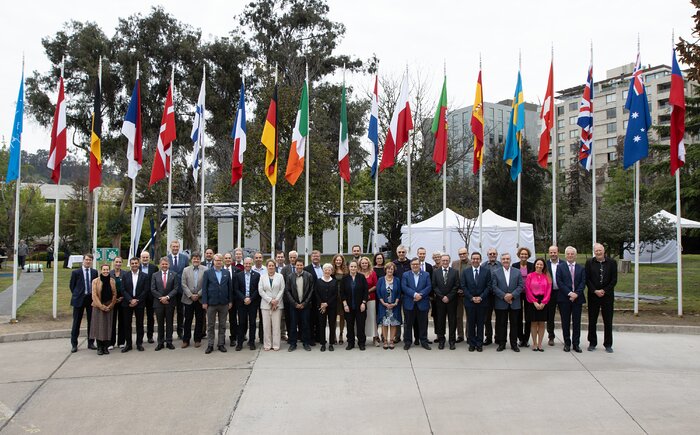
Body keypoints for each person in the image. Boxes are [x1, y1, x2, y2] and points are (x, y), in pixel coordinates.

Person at [585, 243, 617, 353]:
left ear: (604, 251)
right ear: (594, 251)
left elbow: (614, 280)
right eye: (596, 251)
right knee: (592, 320)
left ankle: (608, 344)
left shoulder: (612, 262)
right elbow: (587, 279)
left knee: (608, 321)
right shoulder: (589, 262)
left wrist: (604, 290)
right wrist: (595, 290)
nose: (598, 252)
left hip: (607, 296)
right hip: (593, 296)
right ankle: (592, 342)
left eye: (600, 250)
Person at [555, 246, 586, 353]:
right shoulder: (560, 267)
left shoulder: (581, 268)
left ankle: (576, 344)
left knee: (577, 322)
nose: (570, 256)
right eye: (568, 254)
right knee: (565, 322)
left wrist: (576, 294)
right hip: (564, 299)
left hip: (578, 299)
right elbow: (559, 282)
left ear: (575, 255)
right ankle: (567, 343)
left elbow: (583, 283)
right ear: (565, 255)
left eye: (572, 254)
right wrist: (569, 293)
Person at [492, 253, 524, 352]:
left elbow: (520, 286)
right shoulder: (496, 272)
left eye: (507, 259)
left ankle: (514, 344)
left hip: (514, 303)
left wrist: (512, 295)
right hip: (501, 302)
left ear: (510, 260)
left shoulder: (517, 272)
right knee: (502, 324)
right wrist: (504, 296)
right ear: (501, 260)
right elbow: (494, 286)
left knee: (514, 324)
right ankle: (502, 343)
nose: (505, 260)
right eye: (504, 259)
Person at [202, 254, 233, 354]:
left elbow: (230, 288)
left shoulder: (226, 273)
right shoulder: (207, 273)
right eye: (216, 260)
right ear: (213, 261)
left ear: (222, 261)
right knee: (210, 325)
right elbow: (204, 289)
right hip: (211, 303)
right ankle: (210, 344)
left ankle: (221, 344)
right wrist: (204, 302)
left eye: (220, 260)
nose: (218, 262)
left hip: (224, 303)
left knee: (222, 325)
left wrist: (230, 301)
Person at [461, 252, 492, 352]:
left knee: (480, 323)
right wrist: (471, 298)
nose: (475, 260)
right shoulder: (466, 272)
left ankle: (479, 343)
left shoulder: (486, 271)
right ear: (471, 260)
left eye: (477, 259)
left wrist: (481, 297)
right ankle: (471, 343)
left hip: (482, 302)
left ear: (480, 259)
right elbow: (463, 286)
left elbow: (488, 286)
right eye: (473, 259)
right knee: (471, 323)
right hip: (469, 302)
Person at [69, 254, 98, 352]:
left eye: (90, 260)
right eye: (86, 260)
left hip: (90, 299)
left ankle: (91, 342)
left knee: (91, 321)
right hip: (79, 299)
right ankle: (74, 344)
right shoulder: (76, 272)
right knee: (76, 322)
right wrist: (78, 294)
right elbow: (72, 286)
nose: (88, 261)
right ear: (83, 260)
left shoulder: (94, 272)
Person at [401, 257, 432, 350]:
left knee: (423, 324)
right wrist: (414, 294)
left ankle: (423, 341)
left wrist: (420, 295)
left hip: (422, 303)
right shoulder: (405, 275)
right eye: (413, 264)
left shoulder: (426, 274)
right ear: (410, 265)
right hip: (409, 303)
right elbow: (404, 287)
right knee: (408, 324)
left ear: (420, 265)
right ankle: (407, 341)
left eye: (417, 264)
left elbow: (429, 286)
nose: (415, 266)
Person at [285, 259, 314, 351]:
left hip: (305, 305)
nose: (299, 267)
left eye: (301, 265)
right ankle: (293, 343)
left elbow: (311, 290)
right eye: (297, 265)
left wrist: (304, 303)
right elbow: (287, 291)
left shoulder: (308, 276)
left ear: (303, 266)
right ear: (295, 266)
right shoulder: (290, 277)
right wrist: (294, 303)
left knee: (305, 324)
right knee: (293, 325)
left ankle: (306, 343)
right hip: (294, 306)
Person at [151, 256, 180, 351]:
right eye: (163, 264)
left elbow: (176, 288)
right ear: (160, 264)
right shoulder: (155, 275)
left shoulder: (174, 274)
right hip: (158, 303)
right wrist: (161, 298)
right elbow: (153, 289)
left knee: (169, 323)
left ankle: (169, 342)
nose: (164, 266)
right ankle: (160, 342)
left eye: (166, 264)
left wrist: (167, 297)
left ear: (169, 265)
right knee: (160, 323)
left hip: (170, 302)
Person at [432, 254, 460, 350]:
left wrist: (448, 296)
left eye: (446, 260)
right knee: (440, 321)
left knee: (452, 321)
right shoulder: (436, 272)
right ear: (441, 261)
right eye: (443, 260)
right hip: (440, 301)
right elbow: (434, 286)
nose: (445, 262)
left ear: (449, 261)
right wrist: (442, 296)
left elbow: (456, 286)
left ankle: (452, 341)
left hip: (452, 301)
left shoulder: (455, 272)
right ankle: (441, 341)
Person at [121, 257, 148, 352]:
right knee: (127, 324)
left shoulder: (144, 276)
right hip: (127, 304)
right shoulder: (125, 275)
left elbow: (145, 290)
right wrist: (130, 300)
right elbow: (123, 289)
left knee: (139, 324)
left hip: (139, 303)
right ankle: (128, 344)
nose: (134, 265)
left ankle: (139, 343)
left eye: (136, 263)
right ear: (130, 264)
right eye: (132, 263)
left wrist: (137, 300)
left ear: (139, 263)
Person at [341, 260, 369, 350]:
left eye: (355, 267)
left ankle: (361, 343)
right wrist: (345, 305)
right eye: (351, 267)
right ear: (349, 268)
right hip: (348, 307)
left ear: (357, 268)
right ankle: (350, 343)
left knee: (361, 325)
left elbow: (366, 291)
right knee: (349, 325)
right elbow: (342, 293)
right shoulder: (344, 278)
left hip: (360, 306)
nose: (353, 268)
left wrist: (364, 303)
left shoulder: (361, 277)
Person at [524, 258, 551, 352]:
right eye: (537, 264)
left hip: (544, 301)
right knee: (534, 323)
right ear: (535, 265)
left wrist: (544, 302)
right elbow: (527, 290)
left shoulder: (547, 276)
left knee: (542, 323)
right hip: (533, 301)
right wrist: (534, 301)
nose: (539, 266)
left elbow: (548, 290)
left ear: (544, 266)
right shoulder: (530, 276)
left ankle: (540, 343)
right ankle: (534, 343)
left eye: (541, 265)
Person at [181, 252, 207, 348]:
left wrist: (198, 294)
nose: (196, 260)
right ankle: (186, 340)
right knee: (188, 320)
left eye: (198, 259)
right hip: (188, 299)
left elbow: (206, 284)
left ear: (200, 260)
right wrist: (190, 295)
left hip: (200, 299)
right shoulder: (185, 270)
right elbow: (183, 284)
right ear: (191, 260)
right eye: (194, 259)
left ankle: (197, 339)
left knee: (199, 320)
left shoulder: (205, 270)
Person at [90, 264, 117, 355]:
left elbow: (114, 294)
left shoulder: (112, 281)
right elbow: (94, 295)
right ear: (101, 270)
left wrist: (110, 305)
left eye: (107, 269)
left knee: (107, 327)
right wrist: (101, 306)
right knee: (99, 327)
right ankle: (99, 347)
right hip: (98, 307)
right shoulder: (95, 281)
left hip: (109, 307)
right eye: (104, 270)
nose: (106, 271)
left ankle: (106, 347)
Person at [234, 257, 260, 351]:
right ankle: (240, 343)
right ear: (243, 264)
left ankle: (252, 342)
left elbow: (258, 289)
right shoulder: (238, 275)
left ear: (252, 264)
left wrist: (251, 299)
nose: (247, 265)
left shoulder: (256, 275)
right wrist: (244, 298)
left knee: (252, 323)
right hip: (242, 303)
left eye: (249, 264)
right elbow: (236, 289)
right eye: (246, 264)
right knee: (241, 323)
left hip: (253, 303)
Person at [259, 259, 285, 351]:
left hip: (277, 305)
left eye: (272, 265)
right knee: (266, 326)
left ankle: (276, 345)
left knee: (276, 326)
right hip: (265, 305)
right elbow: (261, 290)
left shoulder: (280, 276)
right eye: (269, 266)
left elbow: (282, 289)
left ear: (275, 266)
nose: (271, 267)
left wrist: (276, 301)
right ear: (267, 267)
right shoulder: (262, 277)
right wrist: (270, 301)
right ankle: (267, 344)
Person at [377, 262, 401, 350]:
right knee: (385, 323)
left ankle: (391, 340)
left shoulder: (397, 280)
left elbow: (399, 293)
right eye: (388, 269)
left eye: (391, 269)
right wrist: (383, 303)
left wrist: (395, 303)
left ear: (393, 270)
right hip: (383, 306)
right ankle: (385, 341)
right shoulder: (380, 280)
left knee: (393, 323)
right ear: (385, 270)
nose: (390, 270)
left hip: (394, 306)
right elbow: (378, 293)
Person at [514, 247, 535, 348]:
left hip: (529, 294)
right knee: (518, 316)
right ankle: (520, 338)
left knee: (528, 317)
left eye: (526, 254)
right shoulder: (514, 266)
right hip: (518, 294)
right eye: (522, 254)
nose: (524, 256)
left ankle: (526, 339)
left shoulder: (532, 266)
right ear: (519, 255)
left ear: (528, 255)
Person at [167, 240, 188, 340]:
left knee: (181, 312)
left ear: (179, 247)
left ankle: (180, 332)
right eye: (173, 246)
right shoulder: (166, 259)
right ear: (170, 247)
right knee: (170, 313)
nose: (175, 248)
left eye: (177, 246)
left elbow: (187, 273)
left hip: (181, 290)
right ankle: (169, 334)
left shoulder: (185, 258)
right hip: (170, 291)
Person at [481, 248, 502, 345]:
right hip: (487, 296)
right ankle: (488, 337)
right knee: (486, 318)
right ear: (487, 255)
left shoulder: (501, 265)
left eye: (494, 253)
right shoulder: (483, 266)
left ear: (497, 254)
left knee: (499, 317)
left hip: (499, 296)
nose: (492, 255)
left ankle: (498, 337)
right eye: (490, 254)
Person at [315, 263, 337, 352]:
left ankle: (331, 343)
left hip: (331, 306)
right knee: (322, 325)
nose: (327, 271)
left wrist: (327, 304)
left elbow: (335, 295)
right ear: (323, 271)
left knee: (332, 325)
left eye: (329, 270)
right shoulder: (318, 281)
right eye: (325, 270)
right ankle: (323, 343)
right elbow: (316, 293)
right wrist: (321, 303)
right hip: (321, 307)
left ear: (331, 271)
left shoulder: (334, 282)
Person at [359, 256, 379, 346]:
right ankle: (362, 338)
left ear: (368, 264)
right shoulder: (357, 273)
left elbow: (376, 285)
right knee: (362, 320)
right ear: (360, 264)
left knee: (372, 319)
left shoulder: (372, 273)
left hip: (371, 298)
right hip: (360, 299)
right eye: (362, 263)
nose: (364, 264)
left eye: (366, 263)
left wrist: (367, 291)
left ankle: (375, 338)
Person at [451, 248, 470, 344]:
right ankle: (460, 335)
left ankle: (469, 335)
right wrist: (457, 289)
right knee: (458, 315)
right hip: (457, 294)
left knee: (469, 316)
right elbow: (452, 278)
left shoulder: (473, 262)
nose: (462, 255)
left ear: (467, 253)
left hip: (469, 294)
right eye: (460, 254)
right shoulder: (454, 263)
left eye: (464, 253)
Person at [140, 251, 158, 344]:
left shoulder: (154, 268)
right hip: (140, 296)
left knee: (150, 317)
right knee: (140, 317)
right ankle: (140, 337)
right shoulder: (136, 267)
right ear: (140, 258)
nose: (145, 259)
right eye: (143, 257)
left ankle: (150, 336)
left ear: (149, 258)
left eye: (147, 257)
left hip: (151, 296)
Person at [305, 250, 323, 346]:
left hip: (322, 298)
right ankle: (311, 338)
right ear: (311, 257)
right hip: (311, 297)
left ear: (320, 257)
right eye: (314, 256)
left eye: (317, 256)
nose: (315, 257)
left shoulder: (324, 268)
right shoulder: (306, 269)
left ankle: (319, 337)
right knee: (311, 319)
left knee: (320, 318)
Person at [546, 246, 562, 346]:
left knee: (564, 316)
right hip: (550, 294)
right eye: (551, 252)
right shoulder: (546, 265)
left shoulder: (564, 264)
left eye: (555, 252)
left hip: (562, 293)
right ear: (549, 253)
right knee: (550, 316)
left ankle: (566, 336)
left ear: (558, 253)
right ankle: (551, 336)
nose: (553, 254)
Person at [109, 257, 126, 349]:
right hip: (112, 301)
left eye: (120, 262)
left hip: (123, 300)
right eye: (116, 262)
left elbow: (128, 286)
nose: (118, 264)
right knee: (112, 321)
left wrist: (123, 297)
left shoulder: (125, 274)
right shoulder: (109, 273)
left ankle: (121, 342)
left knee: (122, 321)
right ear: (113, 262)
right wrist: (113, 299)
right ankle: (111, 342)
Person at [223, 252, 239, 347]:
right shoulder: (219, 270)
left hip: (234, 299)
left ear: (232, 260)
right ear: (224, 260)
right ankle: (222, 338)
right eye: (226, 258)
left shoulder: (236, 270)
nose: (228, 260)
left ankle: (233, 338)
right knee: (223, 320)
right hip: (223, 299)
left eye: (229, 258)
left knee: (233, 320)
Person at [331, 254, 348, 344]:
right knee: (333, 316)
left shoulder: (346, 271)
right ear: (334, 261)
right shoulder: (331, 271)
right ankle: (333, 335)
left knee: (342, 317)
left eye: (340, 260)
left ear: (342, 261)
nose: (338, 261)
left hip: (343, 296)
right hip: (333, 296)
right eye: (337, 260)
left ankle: (341, 334)